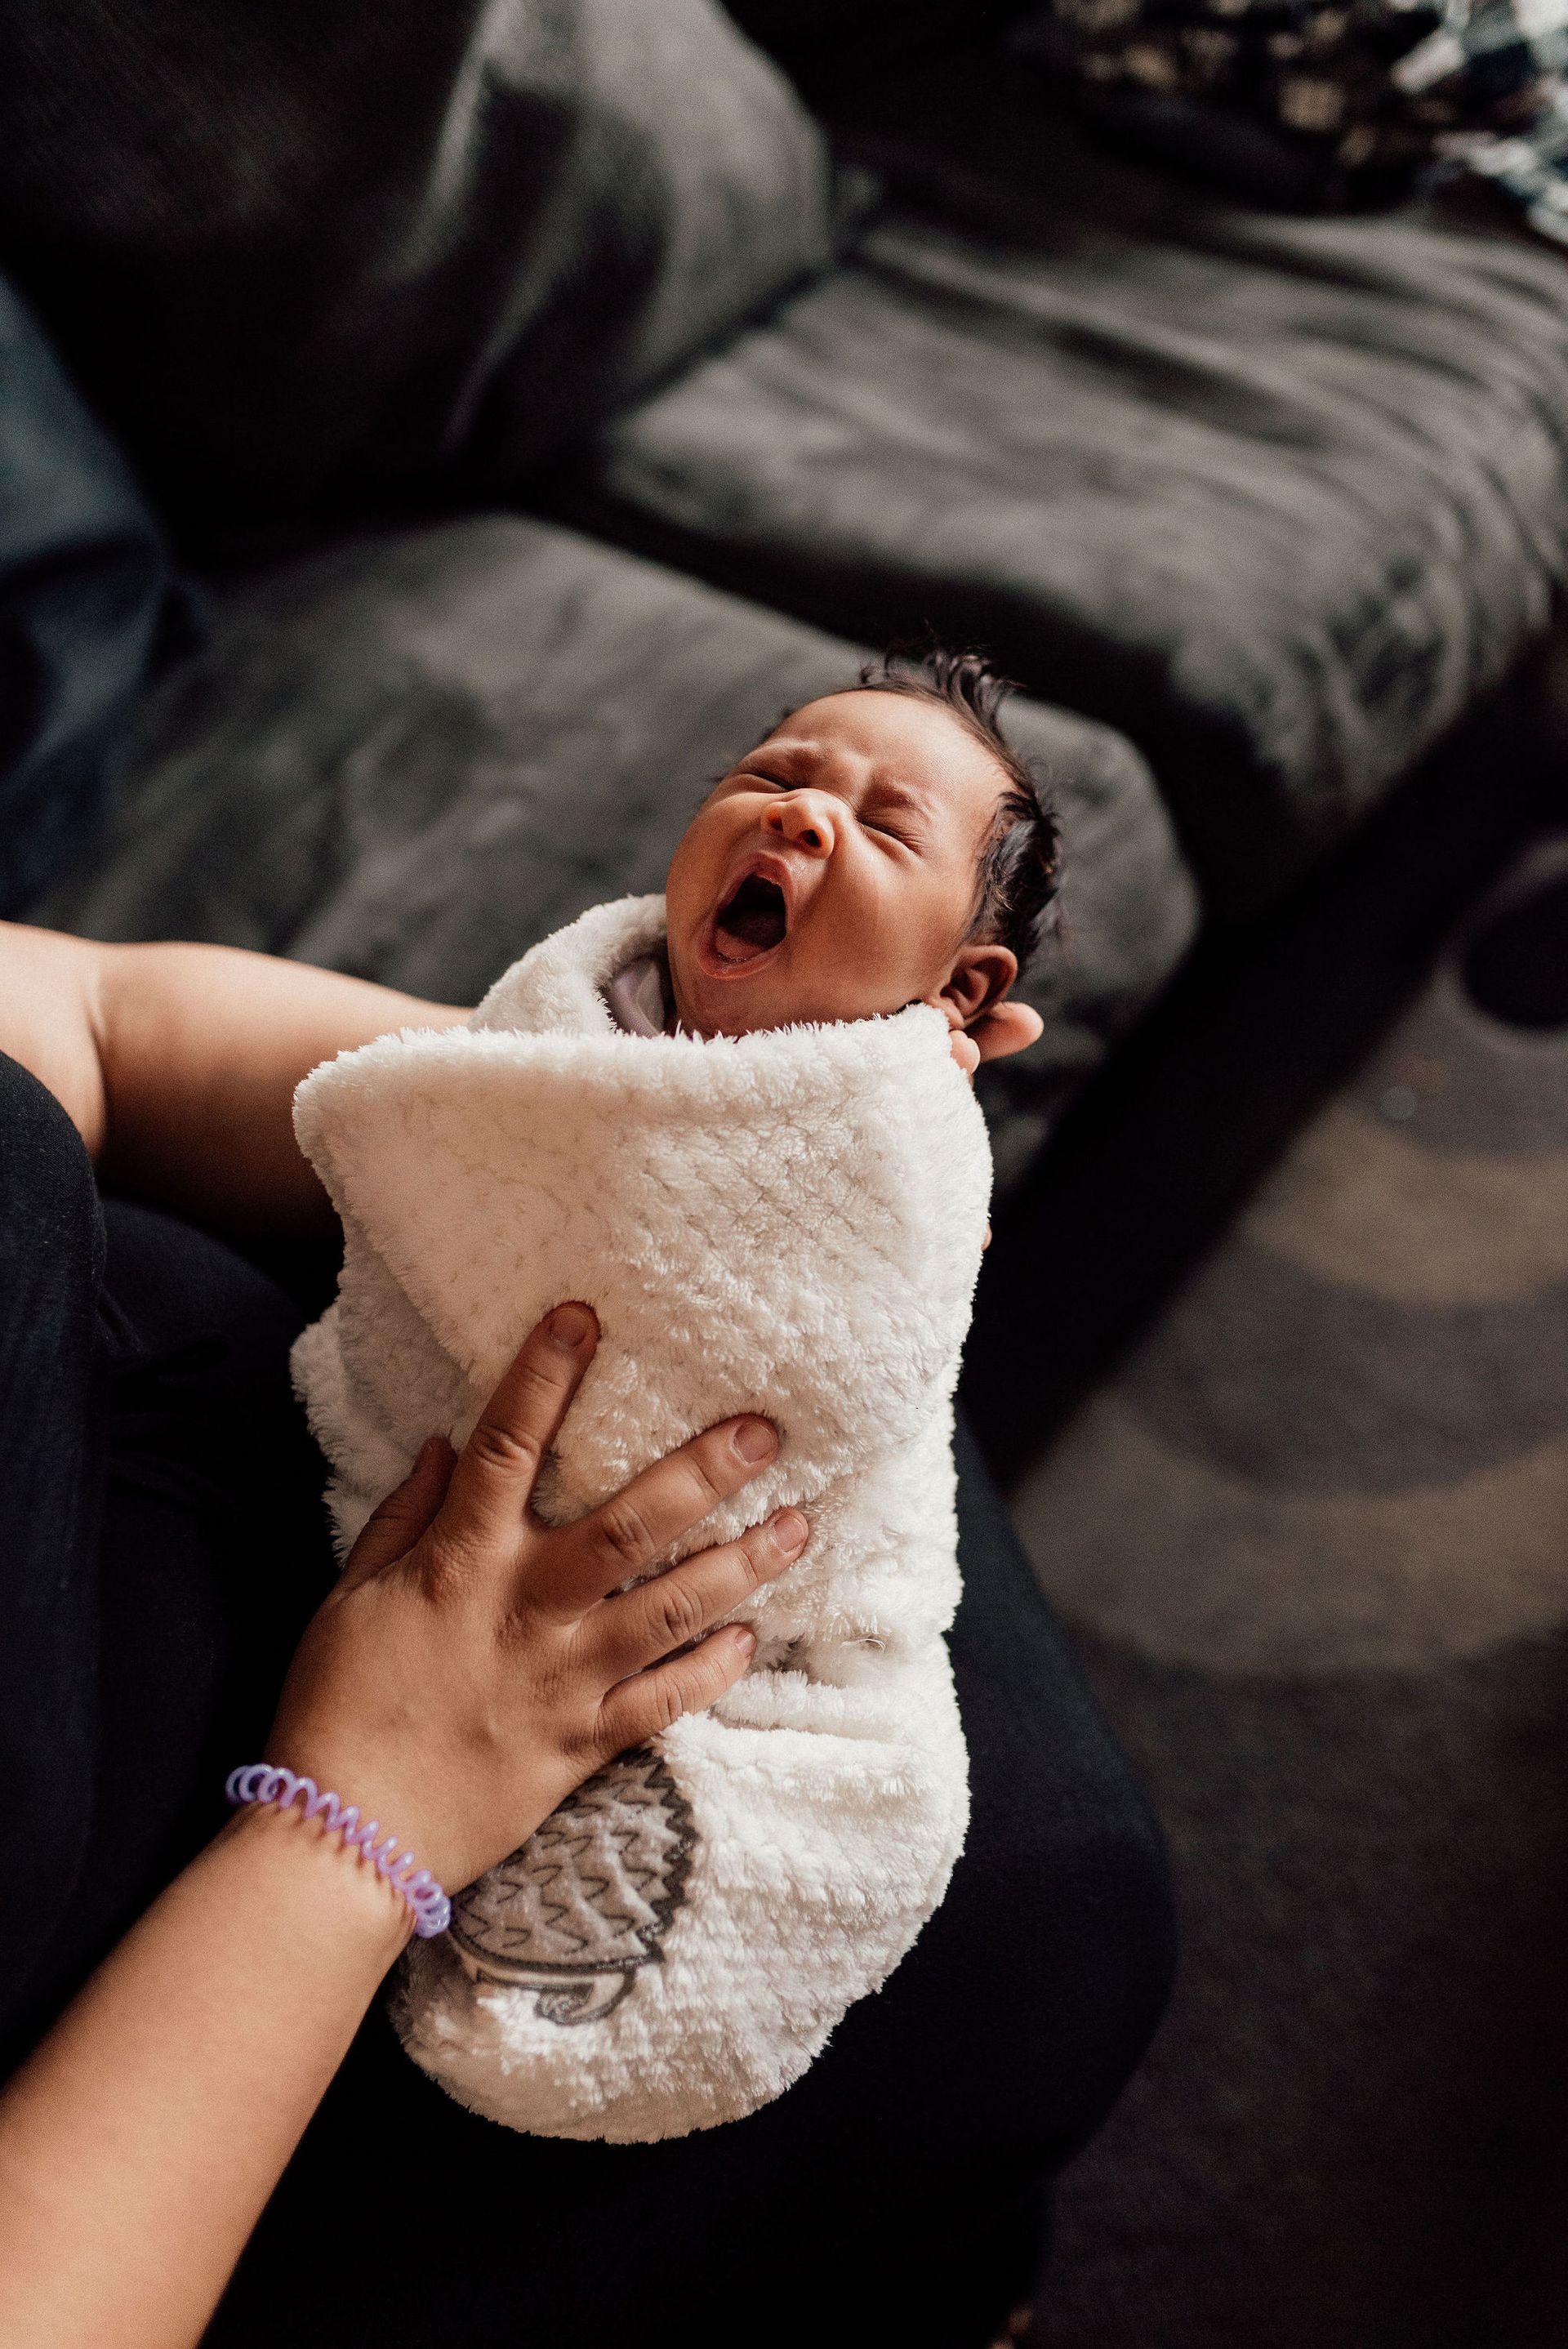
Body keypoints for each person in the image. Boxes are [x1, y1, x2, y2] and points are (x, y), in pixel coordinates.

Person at [0, 669, 1176, 2347]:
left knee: (1048, 1915)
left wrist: (602, 1131)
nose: (793, 809)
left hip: (385, 1481)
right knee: (1052, 1933)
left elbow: (91, 1008)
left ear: (962, 990)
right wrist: (352, 1823)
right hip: (271, 1914)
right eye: (772, 769)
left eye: (879, 820)